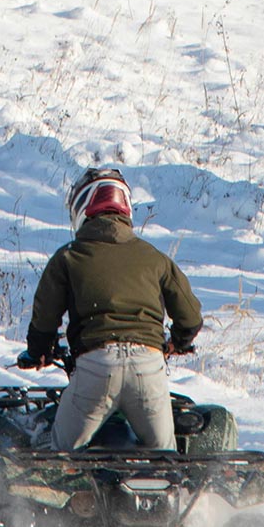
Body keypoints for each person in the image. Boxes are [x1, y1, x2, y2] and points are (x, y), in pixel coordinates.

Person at [16, 167, 203, 451]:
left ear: (82, 208)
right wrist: (177, 342)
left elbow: (44, 319)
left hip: (96, 368)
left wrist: (39, 350)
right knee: (166, 462)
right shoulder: (155, 258)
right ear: (126, 207)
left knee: (59, 458)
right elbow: (190, 317)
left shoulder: (69, 257)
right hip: (148, 369)